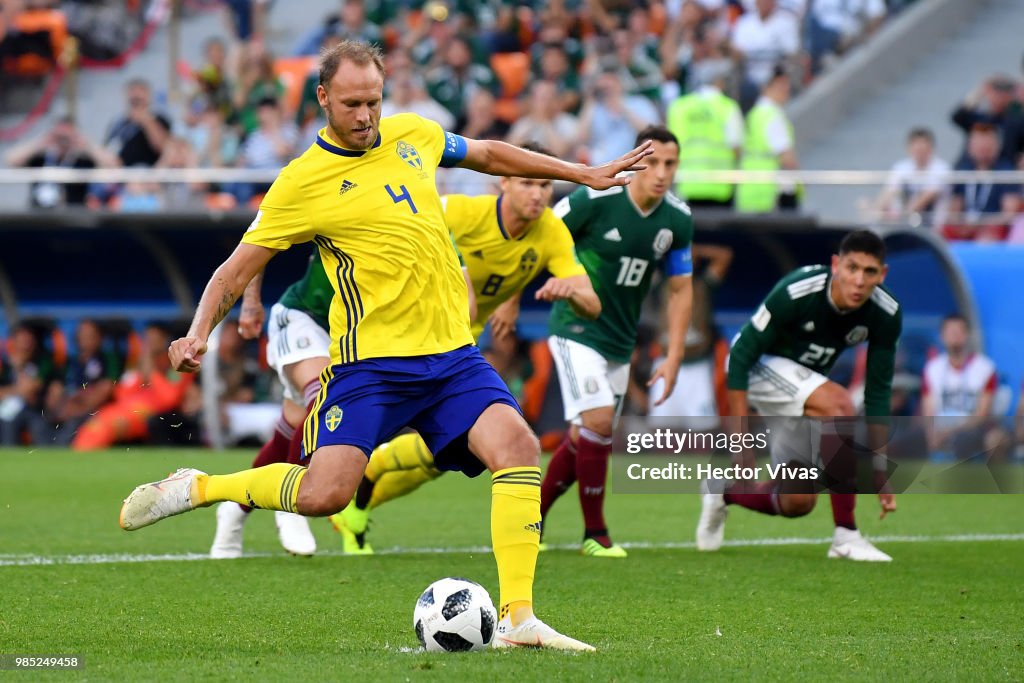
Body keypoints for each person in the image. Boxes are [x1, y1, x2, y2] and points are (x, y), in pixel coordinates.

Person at [119, 39, 651, 652]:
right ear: (323, 98)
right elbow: (236, 268)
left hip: (452, 356)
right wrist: (197, 331)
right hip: (369, 366)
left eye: (374, 100)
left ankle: (518, 618)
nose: (366, 115)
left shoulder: (413, 134)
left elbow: (486, 153)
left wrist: (580, 172)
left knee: (518, 446)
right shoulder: (302, 182)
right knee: (324, 494)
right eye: (351, 104)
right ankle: (202, 487)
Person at [330, 143, 601, 555]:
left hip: (459, 342)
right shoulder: (464, 212)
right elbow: (405, 219)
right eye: (527, 182)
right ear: (503, 182)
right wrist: (456, 267)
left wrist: (571, 292)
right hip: (415, 333)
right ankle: (348, 489)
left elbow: (593, 304)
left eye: (545, 185)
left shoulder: (551, 231)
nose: (537, 194)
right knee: (461, 443)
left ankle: (359, 500)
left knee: (447, 454)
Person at [696, 230, 901, 562]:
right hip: (753, 368)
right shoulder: (798, 289)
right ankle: (846, 536)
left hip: (802, 392)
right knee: (839, 404)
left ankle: (722, 493)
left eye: (869, 272)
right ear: (836, 265)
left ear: (883, 274)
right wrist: (740, 442)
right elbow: (742, 356)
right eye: (852, 268)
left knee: (797, 501)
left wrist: (879, 470)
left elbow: (878, 392)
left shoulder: (886, 314)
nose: (859, 280)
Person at [539, 125, 695, 558]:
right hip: (574, 328)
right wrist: (521, 296)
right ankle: (596, 532)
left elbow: (681, 288)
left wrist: (674, 353)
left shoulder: (677, 220)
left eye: (671, 164)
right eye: (654, 162)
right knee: (600, 421)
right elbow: (541, 235)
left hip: (620, 339)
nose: (662, 173)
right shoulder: (596, 198)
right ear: (636, 160)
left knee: (586, 435)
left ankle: (530, 517)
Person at [922, 314, 1011, 462]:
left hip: (972, 429)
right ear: (942, 336)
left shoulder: (985, 368)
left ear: (967, 335)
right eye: (951, 332)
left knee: (994, 440)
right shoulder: (932, 369)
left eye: (959, 332)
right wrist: (932, 433)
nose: (955, 337)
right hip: (940, 429)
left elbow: (982, 414)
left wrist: (950, 431)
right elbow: (928, 411)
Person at [665, 67, 744, 208]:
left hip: (687, 186)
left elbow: (669, 148)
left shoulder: (679, 107)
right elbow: (736, 148)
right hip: (721, 188)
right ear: (719, 82)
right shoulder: (728, 107)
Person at [35, 319, 120, 446]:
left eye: (90, 336)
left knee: (71, 427)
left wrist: (77, 407)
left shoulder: (108, 359)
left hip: (93, 411)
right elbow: (55, 390)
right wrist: (58, 409)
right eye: (82, 335)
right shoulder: (68, 363)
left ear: (100, 338)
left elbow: (104, 390)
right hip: (65, 409)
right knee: (39, 423)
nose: (85, 340)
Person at [4, 117, 120, 209]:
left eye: (66, 137)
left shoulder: (83, 160)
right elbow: (11, 160)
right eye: (59, 137)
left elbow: (113, 164)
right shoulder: (40, 158)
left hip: (73, 216)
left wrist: (86, 145)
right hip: (39, 216)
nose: (62, 141)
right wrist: (40, 143)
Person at [735, 65, 799, 213]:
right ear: (766, 86)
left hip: (751, 190)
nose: (786, 88)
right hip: (772, 193)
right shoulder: (772, 116)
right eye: (781, 84)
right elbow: (787, 158)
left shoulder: (755, 114)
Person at [876, 127, 951, 228]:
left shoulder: (941, 169)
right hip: (905, 222)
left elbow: (925, 198)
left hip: (934, 226)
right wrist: (877, 209)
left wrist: (900, 216)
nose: (920, 152)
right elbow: (888, 193)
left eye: (923, 148)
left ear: (931, 149)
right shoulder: (901, 167)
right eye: (916, 148)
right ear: (909, 148)